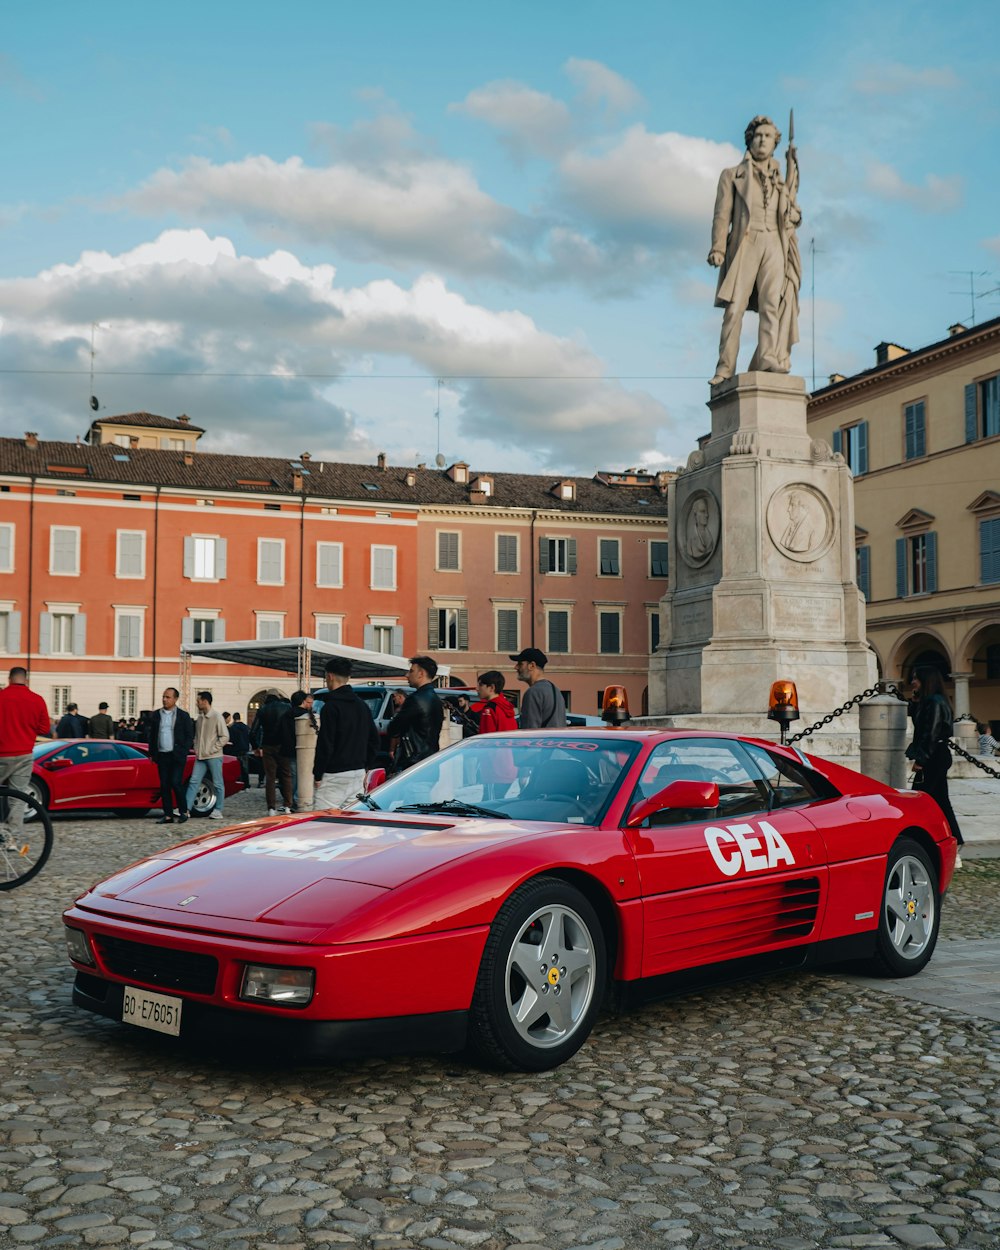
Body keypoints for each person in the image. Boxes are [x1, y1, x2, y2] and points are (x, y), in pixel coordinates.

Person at [708, 114, 801, 385]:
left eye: (768, 136)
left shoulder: (782, 181)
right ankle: (725, 368)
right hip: (746, 243)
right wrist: (717, 248)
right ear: (750, 140)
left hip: (774, 242)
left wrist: (794, 216)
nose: (762, 140)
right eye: (758, 135)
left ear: (775, 143)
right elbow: (721, 215)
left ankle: (769, 357)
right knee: (734, 309)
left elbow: (792, 212)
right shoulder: (731, 175)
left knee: (771, 304)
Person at [905, 667, 963, 862]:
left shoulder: (934, 702)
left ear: (925, 679)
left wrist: (921, 760)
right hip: (936, 754)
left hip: (934, 756)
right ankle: (954, 842)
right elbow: (923, 725)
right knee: (941, 801)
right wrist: (914, 703)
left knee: (919, 800)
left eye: (916, 678)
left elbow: (931, 732)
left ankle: (925, 842)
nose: (913, 681)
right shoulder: (931, 701)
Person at [313, 660, 380, 809]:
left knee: (322, 822)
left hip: (335, 774)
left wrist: (318, 774)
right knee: (351, 820)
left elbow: (325, 744)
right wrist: (366, 765)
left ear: (329, 676)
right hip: (358, 772)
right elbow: (374, 740)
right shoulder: (362, 705)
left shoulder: (330, 707)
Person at [0, 667, 51, 843]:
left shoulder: (2, 697)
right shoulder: (37, 700)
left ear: (9, 679)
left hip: (1, 754)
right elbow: (45, 729)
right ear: (26, 680)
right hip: (23, 755)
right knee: (18, 798)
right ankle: (12, 839)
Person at [386, 656, 444, 772]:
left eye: (411, 671)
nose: (407, 675)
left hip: (414, 762)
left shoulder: (416, 699)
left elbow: (394, 727)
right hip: (430, 761)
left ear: (421, 674)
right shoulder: (436, 699)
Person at [146, 687, 194, 824]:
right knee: (164, 785)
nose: (165, 699)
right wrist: (152, 752)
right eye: (164, 697)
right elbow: (152, 735)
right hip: (162, 755)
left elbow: (189, 735)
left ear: (175, 699)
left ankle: (183, 811)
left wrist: (184, 750)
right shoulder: (156, 715)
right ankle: (168, 815)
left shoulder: (183, 716)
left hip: (177, 754)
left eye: (168, 697)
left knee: (176, 782)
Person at [184, 691, 230, 821]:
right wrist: (197, 748)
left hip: (214, 756)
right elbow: (197, 737)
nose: (197, 703)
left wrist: (212, 749)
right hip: (201, 756)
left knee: (218, 783)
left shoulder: (217, 716)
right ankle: (186, 809)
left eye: (198, 701)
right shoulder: (200, 718)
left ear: (205, 701)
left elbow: (225, 736)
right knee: (194, 781)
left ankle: (218, 810)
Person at [251, 691, 294, 815]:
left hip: (267, 745)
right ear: (278, 696)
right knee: (286, 775)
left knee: (270, 777)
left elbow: (253, 732)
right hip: (283, 745)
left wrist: (256, 747)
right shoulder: (286, 707)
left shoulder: (262, 710)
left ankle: (271, 808)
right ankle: (287, 805)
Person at [511, 648, 567, 729]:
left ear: (532, 665)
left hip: (541, 741)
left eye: (520, 664)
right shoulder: (556, 690)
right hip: (557, 741)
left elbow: (529, 731)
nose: (515, 667)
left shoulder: (533, 692)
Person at [228, 711, 251, 787]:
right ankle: (246, 783)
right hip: (245, 748)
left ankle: (239, 783)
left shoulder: (232, 728)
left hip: (236, 749)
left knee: (238, 767)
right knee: (245, 767)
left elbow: (231, 739)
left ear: (234, 719)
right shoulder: (246, 727)